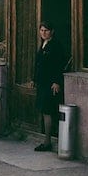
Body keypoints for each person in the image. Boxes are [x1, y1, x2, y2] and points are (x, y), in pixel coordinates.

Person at [32, 20, 67, 152]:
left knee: (48, 111)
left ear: (52, 31)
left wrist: (57, 81)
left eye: (46, 30)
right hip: (42, 83)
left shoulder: (56, 45)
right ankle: (47, 140)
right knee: (44, 110)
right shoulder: (43, 44)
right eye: (41, 30)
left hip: (50, 84)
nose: (43, 33)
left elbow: (59, 64)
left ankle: (47, 142)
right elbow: (39, 63)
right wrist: (34, 79)